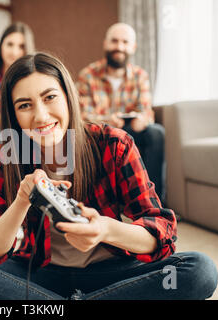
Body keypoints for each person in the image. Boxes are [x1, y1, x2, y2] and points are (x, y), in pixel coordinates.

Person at [0, 53, 218, 300]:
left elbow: (161, 232)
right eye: (24, 105)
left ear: (68, 95)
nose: (40, 115)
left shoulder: (113, 144)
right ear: (13, 114)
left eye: (50, 97)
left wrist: (105, 230)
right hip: (39, 276)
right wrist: (21, 201)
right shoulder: (8, 155)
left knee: (199, 270)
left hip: (113, 273)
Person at [76, 23, 166, 202]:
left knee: (156, 133)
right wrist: (106, 120)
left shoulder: (140, 76)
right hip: (99, 134)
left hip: (132, 131)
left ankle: (154, 202)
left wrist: (143, 119)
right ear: (105, 44)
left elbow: (147, 111)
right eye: (114, 41)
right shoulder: (88, 75)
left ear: (133, 47)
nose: (119, 46)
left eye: (125, 42)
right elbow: (80, 114)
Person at [0, 22, 35, 123]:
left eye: (21, 46)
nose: (14, 52)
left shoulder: (33, 78)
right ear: (1, 45)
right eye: (10, 44)